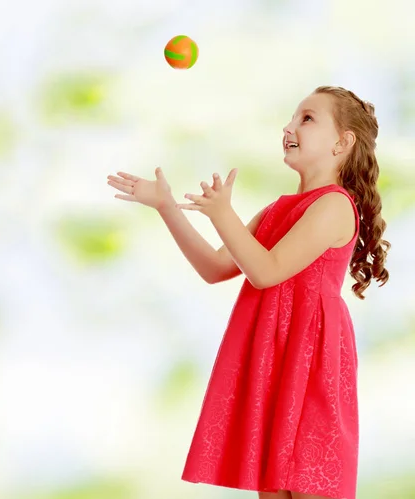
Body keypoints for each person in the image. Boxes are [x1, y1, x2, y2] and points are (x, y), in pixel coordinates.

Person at [106, 86, 390, 499]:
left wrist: (224, 215)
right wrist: (167, 206)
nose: (289, 127)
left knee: (311, 482)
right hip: (274, 360)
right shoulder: (275, 211)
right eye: (292, 118)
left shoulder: (335, 206)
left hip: (311, 365)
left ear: (342, 142)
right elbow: (215, 267)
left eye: (307, 118)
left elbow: (266, 271)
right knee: (272, 488)